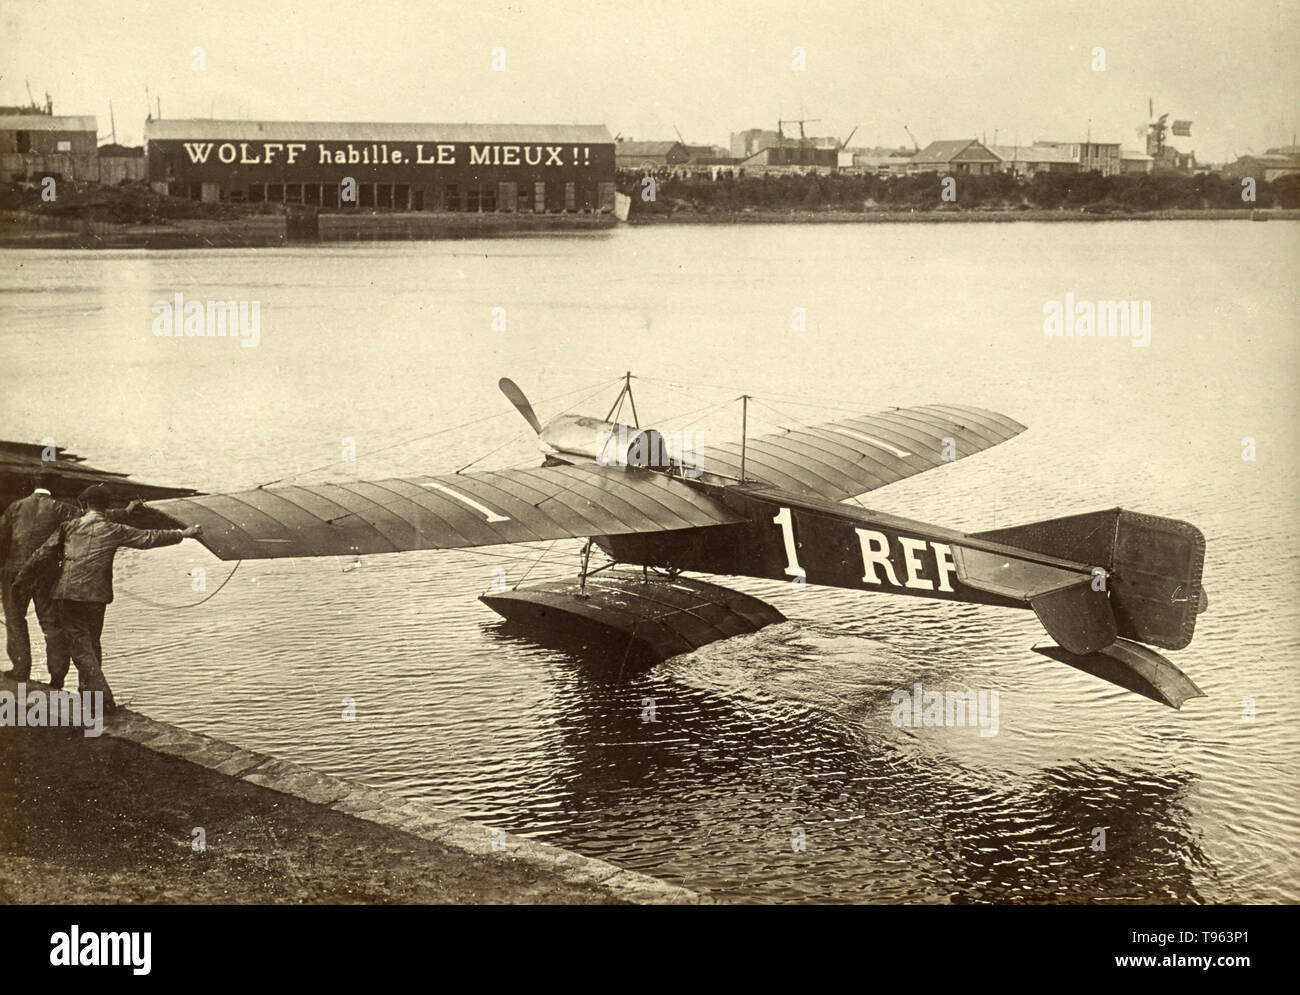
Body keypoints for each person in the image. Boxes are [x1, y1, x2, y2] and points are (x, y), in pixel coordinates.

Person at [18, 483, 201, 711]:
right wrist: (182, 534)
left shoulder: (68, 527)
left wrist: (21, 582)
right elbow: (148, 538)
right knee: (92, 645)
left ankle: (98, 699)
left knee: (81, 648)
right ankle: (96, 699)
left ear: (83, 504)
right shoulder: (114, 530)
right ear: (106, 508)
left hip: (67, 595)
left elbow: (40, 555)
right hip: (96, 597)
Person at [0, 473, 80, 684]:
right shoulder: (63, 508)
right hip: (47, 573)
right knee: (51, 623)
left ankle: (20, 669)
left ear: (34, 485)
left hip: (14, 571)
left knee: (15, 619)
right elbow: (88, 523)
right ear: (54, 486)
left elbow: (2, 538)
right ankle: (57, 676)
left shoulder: (15, 507)